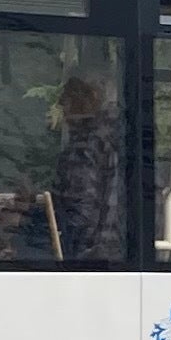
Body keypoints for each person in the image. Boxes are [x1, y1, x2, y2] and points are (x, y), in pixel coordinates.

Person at [46, 69, 120, 261]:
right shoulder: (122, 137)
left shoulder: (86, 145)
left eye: (69, 95)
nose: (61, 103)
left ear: (90, 99)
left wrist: (26, 222)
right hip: (116, 251)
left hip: (91, 257)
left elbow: (80, 217)